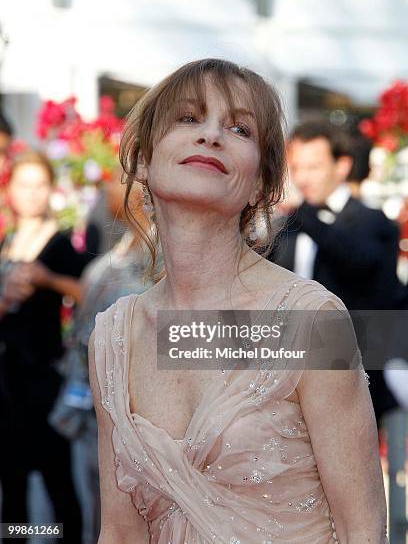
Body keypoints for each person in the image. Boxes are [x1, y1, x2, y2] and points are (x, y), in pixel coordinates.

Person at [89, 59, 388, 543]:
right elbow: (119, 533)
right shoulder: (113, 338)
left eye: (239, 128)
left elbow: (363, 529)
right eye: (188, 118)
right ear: (142, 158)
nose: (211, 135)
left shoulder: (310, 321)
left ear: (259, 185)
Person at [49, 166, 162, 544]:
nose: (106, 190)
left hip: (130, 406)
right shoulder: (123, 245)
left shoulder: (160, 254)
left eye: (118, 180)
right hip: (89, 400)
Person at [270, 121, 407, 426]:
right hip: (289, 379)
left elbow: (358, 261)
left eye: (314, 167)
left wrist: (302, 214)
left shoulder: (373, 222)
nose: (302, 177)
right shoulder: (287, 227)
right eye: (297, 167)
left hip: (358, 378)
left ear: (342, 166)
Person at [0, 150, 87, 543]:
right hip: (7, 385)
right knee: (12, 485)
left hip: (44, 382)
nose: (32, 194)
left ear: (50, 191)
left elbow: (87, 293)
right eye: (25, 186)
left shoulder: (61, 243)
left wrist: (48, 279)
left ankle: (63, 539)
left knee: (57, 482)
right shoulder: (7, 241)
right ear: (11, 192)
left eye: (40, 186)